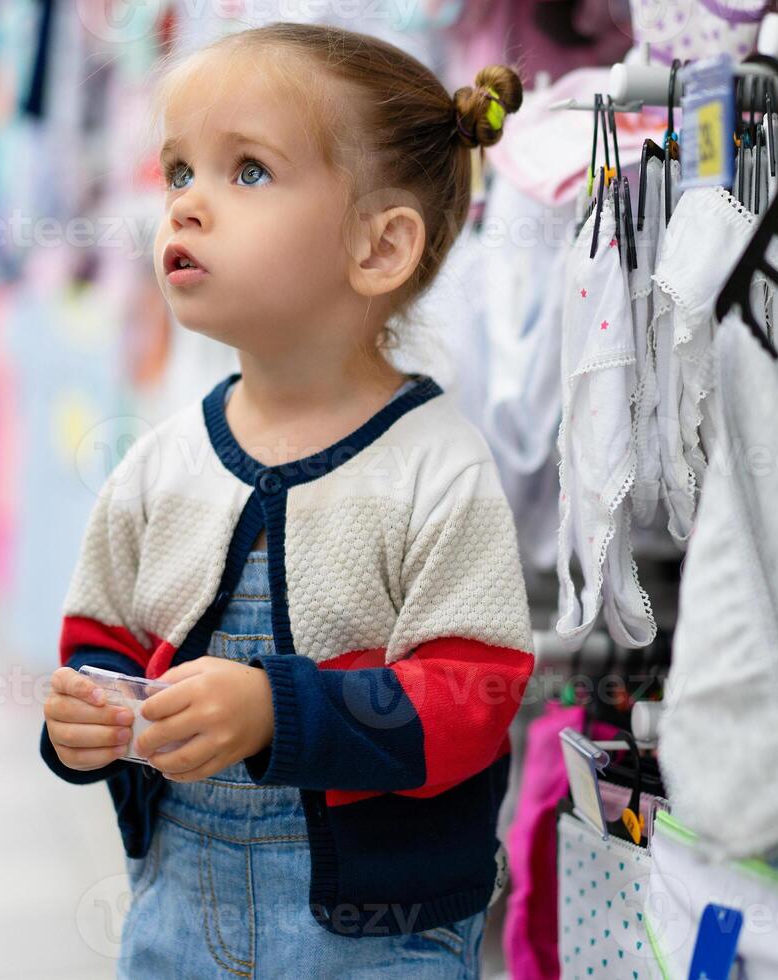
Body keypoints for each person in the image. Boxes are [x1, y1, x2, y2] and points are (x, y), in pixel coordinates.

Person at [39, 22, 534, 978]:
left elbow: (474, 698)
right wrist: (90, 718)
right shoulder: (162, 462)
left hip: (380, 933)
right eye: (179, 171)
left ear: (379, 245)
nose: (185, 207)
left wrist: (278, 710)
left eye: (247, 172)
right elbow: (100, 633)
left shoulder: (436, 467)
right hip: (178, 911)